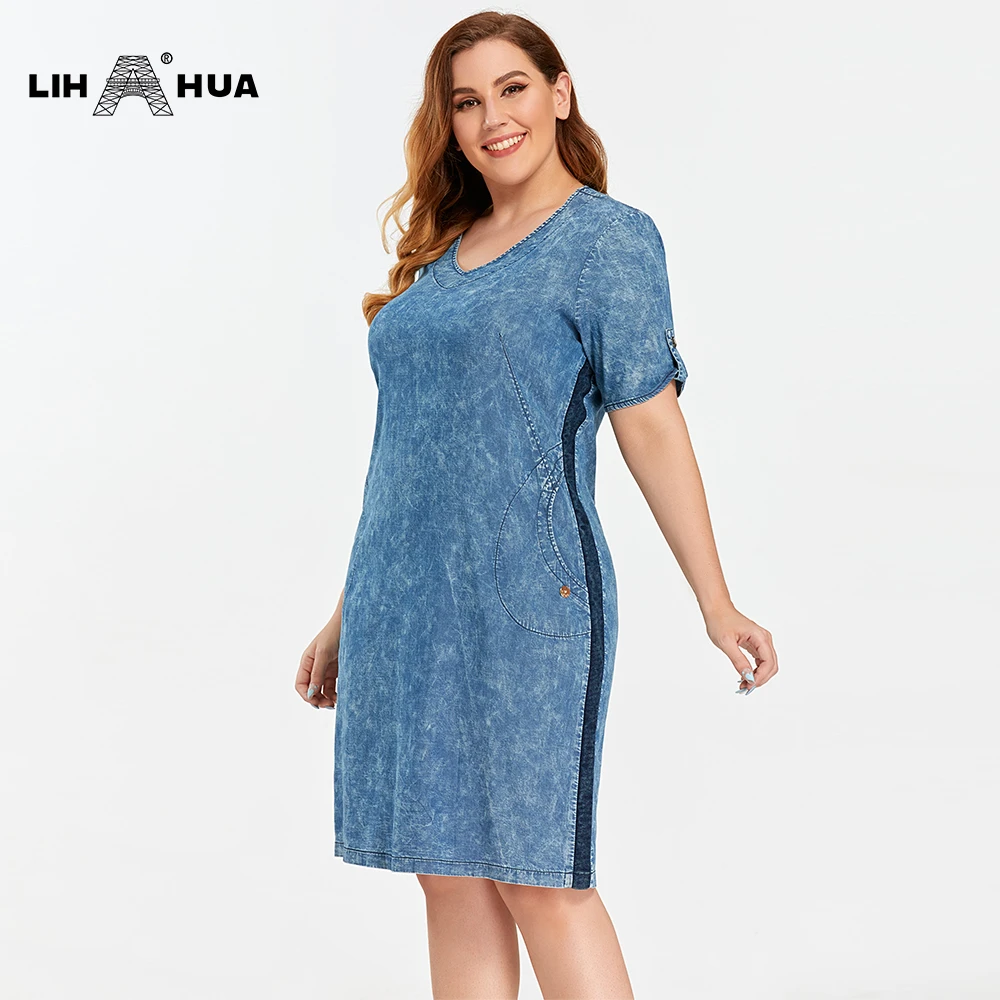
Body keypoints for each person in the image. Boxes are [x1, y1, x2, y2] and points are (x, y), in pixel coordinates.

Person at [296, 11, 778, 999]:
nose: (492, 118)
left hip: (526, 603)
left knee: (538, 877)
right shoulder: (440, 255)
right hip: (402, 606)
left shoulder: (607, 240)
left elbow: (649, 421)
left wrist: (715, 600)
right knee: (447, 874)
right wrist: (346, 613)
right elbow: (406, 458)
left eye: (512, 88)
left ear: (559, 92)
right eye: (466, 101)